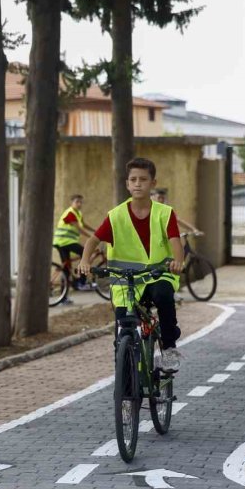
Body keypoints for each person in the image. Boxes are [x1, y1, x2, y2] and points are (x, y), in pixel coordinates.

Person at [79, 158, 184, 371]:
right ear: (127, 184)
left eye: (143, 179)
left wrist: (178, 261)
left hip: (158, 275)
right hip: (126, 282)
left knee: (164, 296)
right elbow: (92, 240)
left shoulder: (165, 213)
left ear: (153, 183)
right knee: (123, 329)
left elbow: (175, 241)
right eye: (133, 180)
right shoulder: (116, 215)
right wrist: (84, 261)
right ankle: (126, 388)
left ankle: (169, 348)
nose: (138, 184)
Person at [53, 194, 95, 291]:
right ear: (71, 203)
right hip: (63, 241)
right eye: (77, 202)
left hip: (65, 242)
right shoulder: (70, 213)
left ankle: (64, 297)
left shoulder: (78, 213)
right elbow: (79, 228)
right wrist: (92, 238)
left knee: (66, 268)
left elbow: (83, 224)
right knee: (85, 253)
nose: (79, 204)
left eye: (81, 202)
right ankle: (82, 282)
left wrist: (96, 231)